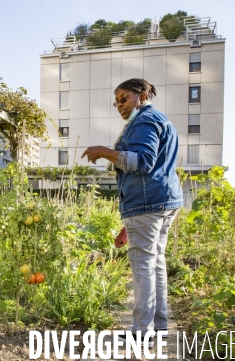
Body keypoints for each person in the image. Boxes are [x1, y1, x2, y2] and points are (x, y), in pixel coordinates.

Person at [81, 78, 183, 343]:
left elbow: (143, 162)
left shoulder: (144, 122)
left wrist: (103, 151)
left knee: (143, 266)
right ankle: (159, 328)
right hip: (162, 201)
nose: (119, 105)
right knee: (156, 262)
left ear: (142, 94)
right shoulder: (160, 119)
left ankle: (141, 331)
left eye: (123, 98)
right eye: (116, 101)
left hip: (148, 204)